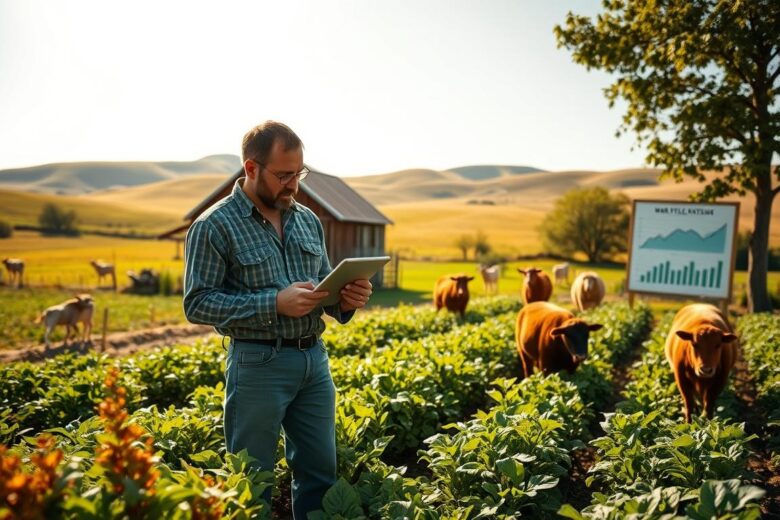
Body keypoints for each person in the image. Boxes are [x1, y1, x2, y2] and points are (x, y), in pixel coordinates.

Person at [183, 121, 373, 518]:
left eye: (299, 173)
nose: (294, 185)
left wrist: (346, 300)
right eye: (284, 175)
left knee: (320, 474)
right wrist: (273, 304)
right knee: (251, 481)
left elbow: (322, 291)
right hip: (258, 365)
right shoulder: (213, 225)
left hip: (314, 362)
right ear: (251, 169)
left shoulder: (307, 220)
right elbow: (197, 303)